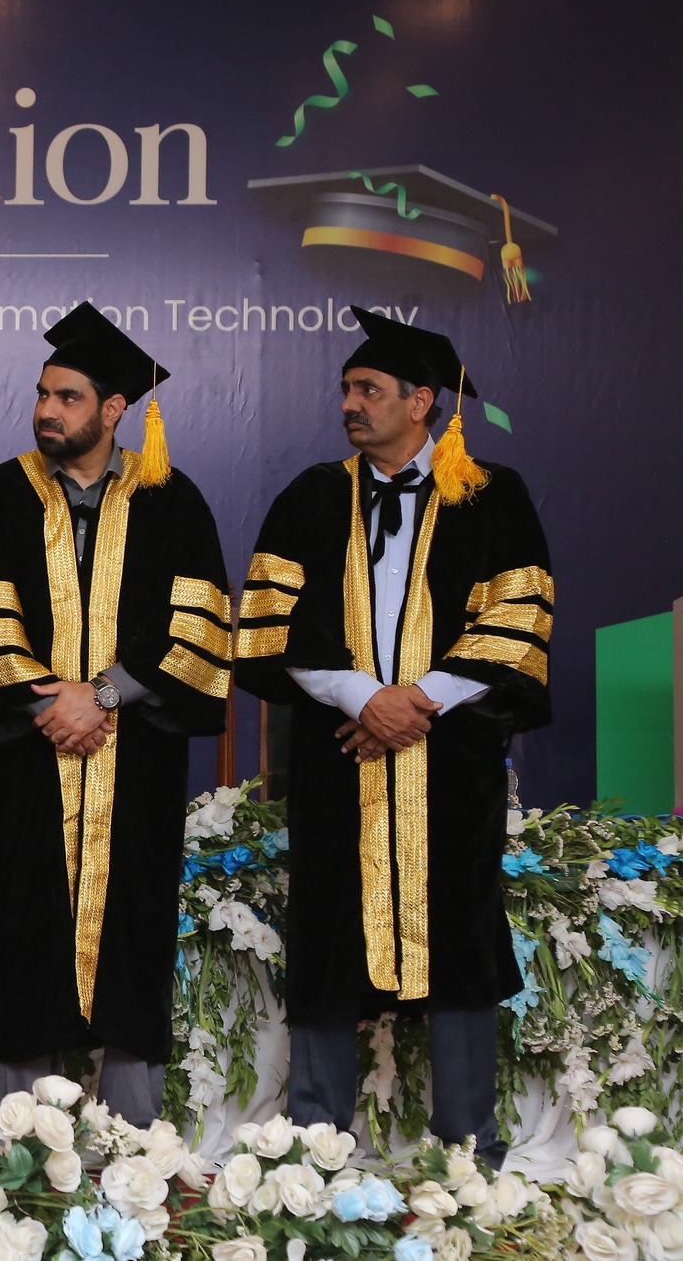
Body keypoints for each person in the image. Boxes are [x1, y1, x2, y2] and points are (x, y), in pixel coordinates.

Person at [235, 308, 551, 1165]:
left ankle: (468, 1150)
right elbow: (271, 623)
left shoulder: (491, 494)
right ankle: (317, 1146)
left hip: (452, 760)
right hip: (339, 756)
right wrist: (362, 697)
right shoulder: (310, 495)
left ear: (421, 401)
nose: (349, 402)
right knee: (328, 932)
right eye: (346, 387)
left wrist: (417, 703)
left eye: (368, 388)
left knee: (459, 934)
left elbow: (515, 620)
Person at [0, 303, 231, 1131]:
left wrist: (101, 694)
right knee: (24, 928)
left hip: (135, 759)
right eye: (43, 393)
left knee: (134, 929)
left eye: (67, 397)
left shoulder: (172, 499)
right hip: (26, 760)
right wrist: (54, 701)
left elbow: (197, 626)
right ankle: (20, 1139)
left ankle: (134, 1143)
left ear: (113, 408)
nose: (47, 410)